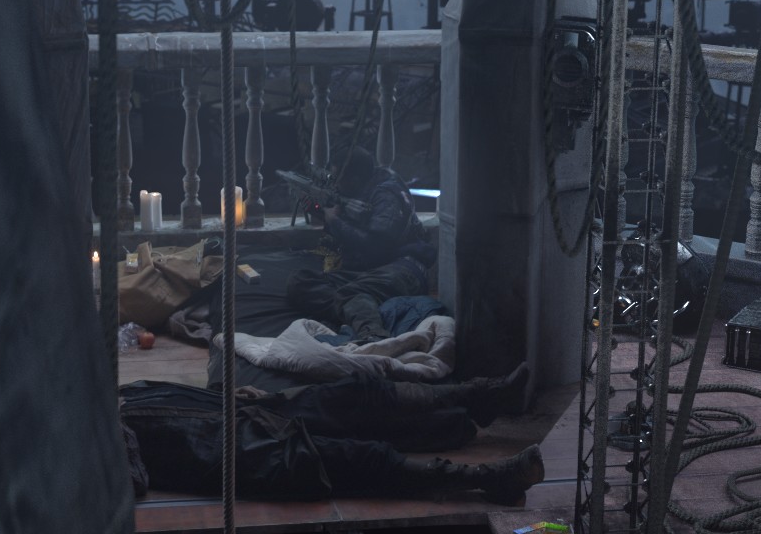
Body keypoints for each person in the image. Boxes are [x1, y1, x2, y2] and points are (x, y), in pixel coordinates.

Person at [120, 365, 540, 504]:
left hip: (256, 412)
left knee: (356, 392)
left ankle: (480, 395)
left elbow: (186, 402)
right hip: (244, 450)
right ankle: (488, 479)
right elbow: (135, 479)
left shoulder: (131, 391)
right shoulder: (99, 441)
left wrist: (233, 395)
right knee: (360, 456)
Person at [289, 241, 437, 342]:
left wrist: (334, 219)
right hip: (382, 270)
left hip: (404, 271)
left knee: (349, 293)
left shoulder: (386, 206)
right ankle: (349, 310)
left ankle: (373, 335)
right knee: (301, 279)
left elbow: (378, 239)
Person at [321, 146, 416, 272]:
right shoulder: (362, 187)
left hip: (396, 264)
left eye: (336, 179)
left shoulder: (386, 196)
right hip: (369, 263)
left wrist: (334, 221)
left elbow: (376, 246)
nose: (334, 185)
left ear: (354, 180)